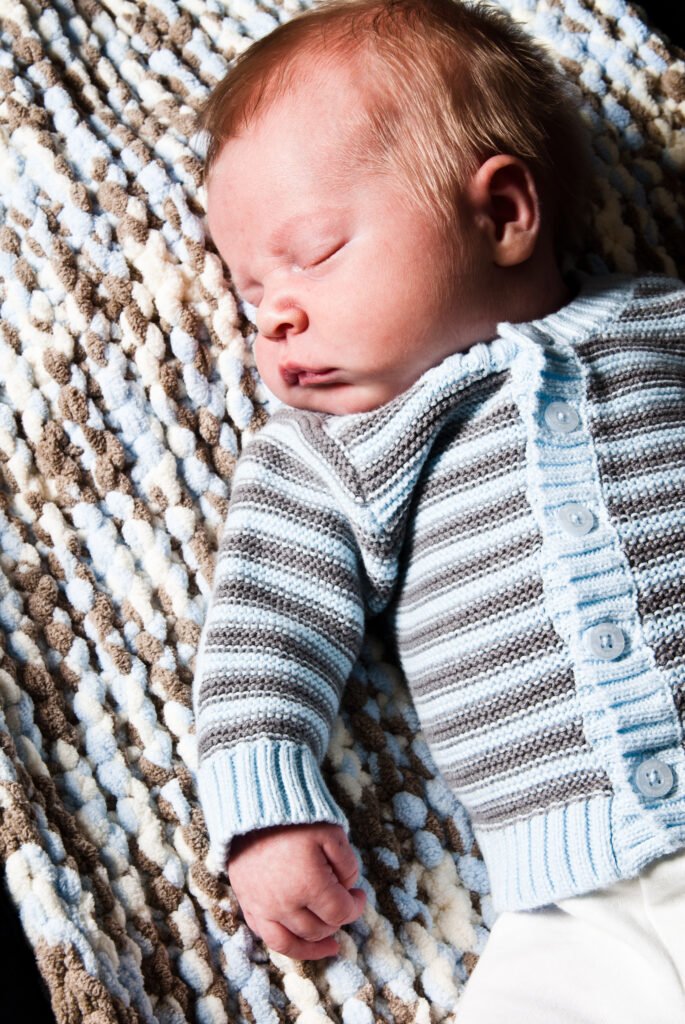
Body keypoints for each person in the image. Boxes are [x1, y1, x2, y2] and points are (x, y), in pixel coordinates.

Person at [193, 0, 685, 1018]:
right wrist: (263, 806)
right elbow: (264, 620)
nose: (274, 311)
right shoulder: (328, 451)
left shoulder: (663, 326)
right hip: (571, 913)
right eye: (249, 291)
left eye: (312, 251)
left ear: (500, 214)